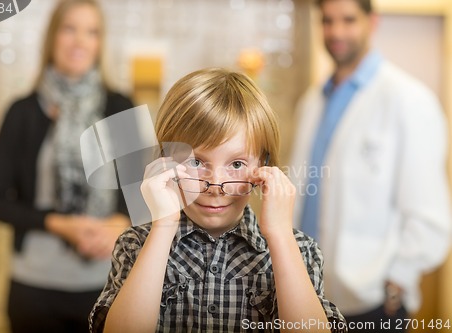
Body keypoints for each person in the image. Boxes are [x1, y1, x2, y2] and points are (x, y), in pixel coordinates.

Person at [89, 68, 348, 333]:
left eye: (236, 163)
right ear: (166, 161)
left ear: (265, 165)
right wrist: (163, 225)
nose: (215, 186)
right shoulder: (135, 245)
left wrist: (280, 234)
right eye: (197, 162)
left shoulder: (299, 250)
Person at [289, 0, 451, 331]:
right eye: (328, 21)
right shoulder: (312, 101)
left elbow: (429, 212)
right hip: (307, 292)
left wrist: (399, 279)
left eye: (348, 20)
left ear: (371, 22)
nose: (336, 32)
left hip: (373, 300)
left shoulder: (408, 100)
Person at [0, 1, 133, 332]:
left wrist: (119, 222)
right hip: (34, 287)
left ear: (100, 43)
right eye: (70, 29)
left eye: (91, 32)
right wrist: (59, 225)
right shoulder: (20, 111)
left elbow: (148, 195)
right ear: (52, 38)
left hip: (107, 284)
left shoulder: (123, 107)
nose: (80, 41)